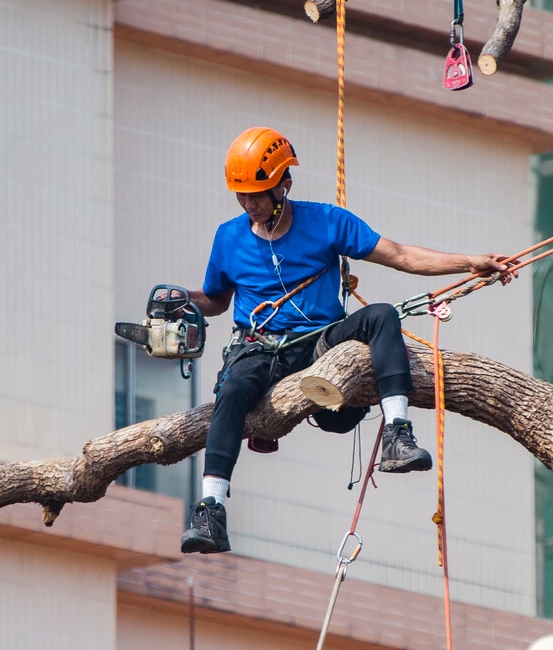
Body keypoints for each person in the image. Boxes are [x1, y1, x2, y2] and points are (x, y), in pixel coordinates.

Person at [180, 126, 514, 554]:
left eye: (258, 194)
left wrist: (470, 263)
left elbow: (401, 255)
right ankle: (211, 510)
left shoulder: (325, 222)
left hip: (321, 342)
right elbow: (217, 300)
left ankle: (398, 433)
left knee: (381, 316)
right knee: (232, 391)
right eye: (241, 195)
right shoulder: (229, 237)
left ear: (285, 184)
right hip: (261, 347)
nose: (249, 204)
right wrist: (182, 299)